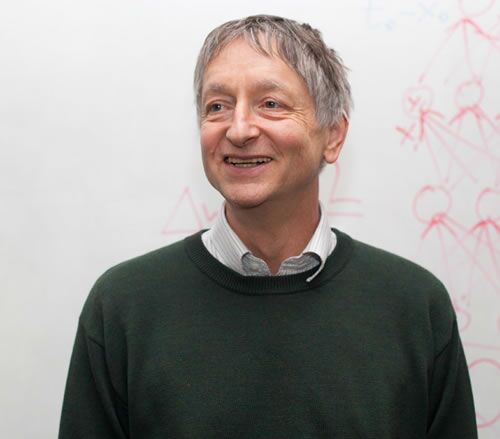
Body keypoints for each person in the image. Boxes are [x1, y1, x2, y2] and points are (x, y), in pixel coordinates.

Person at [59, 15, 478, 438]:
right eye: (217, 106)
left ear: (333, 135)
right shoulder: (123, 308)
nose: (239, 129)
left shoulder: (415, 307)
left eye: (271, 104)